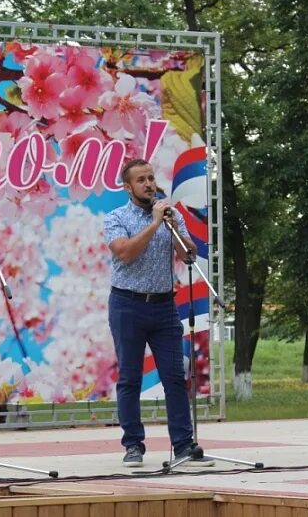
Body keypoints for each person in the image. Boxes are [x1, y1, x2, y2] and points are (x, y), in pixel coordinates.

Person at [104, 158, 212, 468]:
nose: (149, 184)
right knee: (130, 378)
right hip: (128, 305)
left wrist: (179, 233)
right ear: (128, 187)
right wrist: (153, 224)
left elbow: (187, 254)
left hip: (164, 305)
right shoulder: (116, 218)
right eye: (141, 180)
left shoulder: (170, 215)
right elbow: (124, 252)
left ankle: (183, 444)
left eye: (151, 177)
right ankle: (133, 445)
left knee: (175, 377)